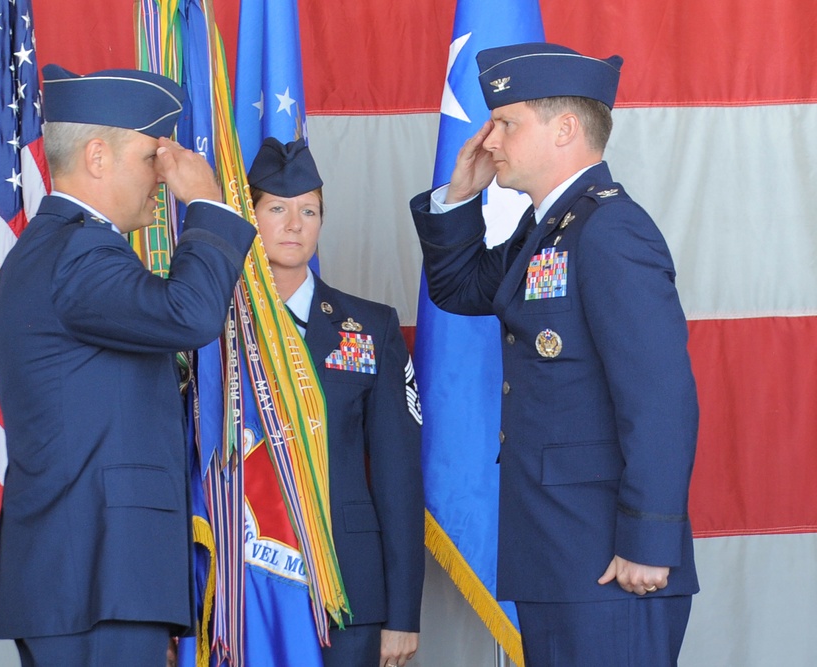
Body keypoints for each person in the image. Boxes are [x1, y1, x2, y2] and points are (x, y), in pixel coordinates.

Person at [410, 43, 699, 665]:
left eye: (507, 123)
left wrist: (651, 537)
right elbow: (459, 289)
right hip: (557, 550)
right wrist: (459, 199)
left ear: (566, 128)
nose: (491, 141)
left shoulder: (610, 230)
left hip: (610, 559)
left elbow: (660, 397)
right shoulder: (548, 227)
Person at [0, 64, 256, 667]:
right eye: (150, 158)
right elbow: (189, 315)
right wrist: (207, 204)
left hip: (91, 577)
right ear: (98, 157)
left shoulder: (55, 249)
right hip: (98, 577)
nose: (162, 179)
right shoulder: (80, 252)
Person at [247, 138, 425, 667]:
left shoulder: (369, 327)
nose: (294, 224)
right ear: (249, 217)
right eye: (277, 209)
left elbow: (397, 475)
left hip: (348, 591)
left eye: (309, 210)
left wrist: (402, 614)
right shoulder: (211, 325)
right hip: (244, 581)